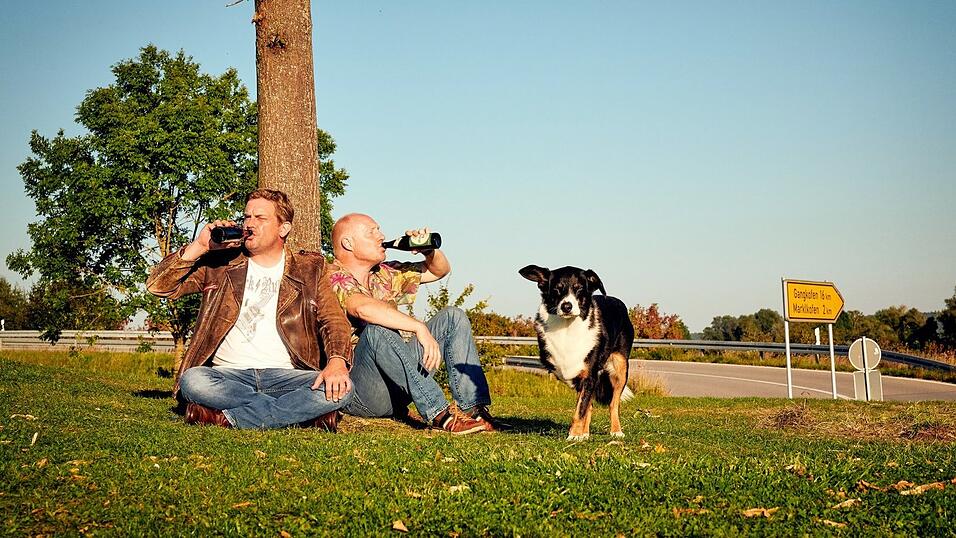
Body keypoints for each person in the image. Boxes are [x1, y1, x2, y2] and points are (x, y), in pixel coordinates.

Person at [146, 189, 354, 430]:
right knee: (193, 381)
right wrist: (200, 246)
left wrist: (337, 363)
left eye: (260, 218)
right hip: (227, 375)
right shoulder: (221, 263)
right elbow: (158, 287)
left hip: (286, 376)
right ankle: (297, 413)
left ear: (283, 228)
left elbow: (334, 321)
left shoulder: (310, 269)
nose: (250, 224)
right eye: (247, 217)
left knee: (344, 389)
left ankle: (229, 418)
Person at [328, 213, 499, 434]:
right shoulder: (330, 275)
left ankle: (476, 412)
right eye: (372, 231)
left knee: (452, 316)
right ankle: (441, 415)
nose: (382, 236)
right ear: (348, 243)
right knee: (375, 331)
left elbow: (440, 270)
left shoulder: (385, 273)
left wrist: (429, 252)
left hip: (399, 385)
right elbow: (360, 307)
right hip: (361, 393)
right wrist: (419, 327)